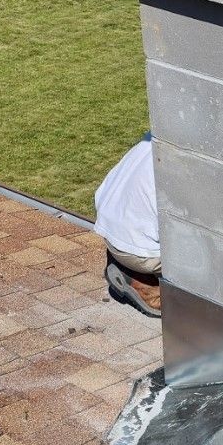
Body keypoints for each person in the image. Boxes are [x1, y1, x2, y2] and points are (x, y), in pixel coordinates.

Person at [94, 135, 161, 317]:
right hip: (142, 252)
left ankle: (129, 268)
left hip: (110, 226)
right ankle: (145, 285)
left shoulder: (164, 127)